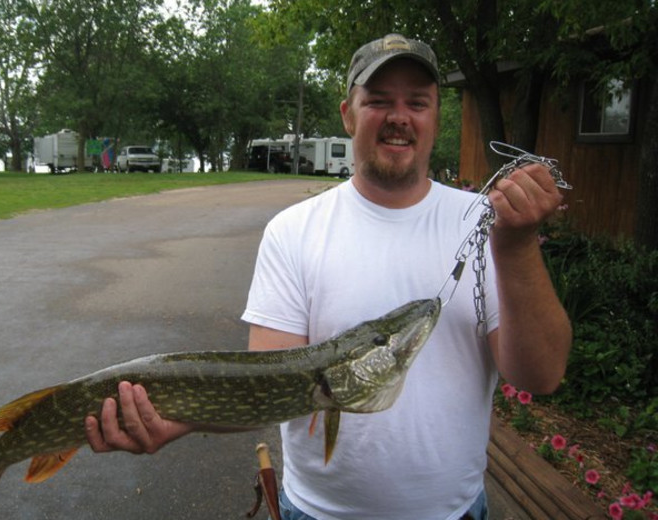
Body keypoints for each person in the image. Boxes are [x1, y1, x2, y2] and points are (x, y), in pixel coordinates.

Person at [84, 33, 572, 520]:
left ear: (436, 116)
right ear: (348, 114)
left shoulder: (487, 224)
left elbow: (541, 374)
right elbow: (264, 388)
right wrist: (178, 420)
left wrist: (517, 246)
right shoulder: (294, 231)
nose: (398, 116)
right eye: (378, 101)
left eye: (417, 102)